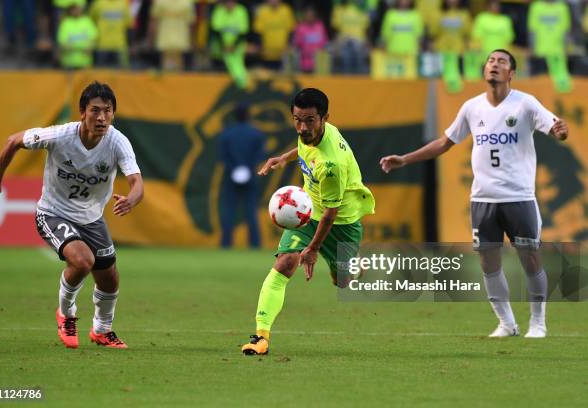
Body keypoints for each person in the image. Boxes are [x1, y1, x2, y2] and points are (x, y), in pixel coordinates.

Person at [380, 50, 569, 338]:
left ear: (511, 74)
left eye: (501, 62)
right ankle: (506, 323)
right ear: (484, 71)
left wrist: (560, 131)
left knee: (530, 258)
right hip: (483, 199)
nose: (494, 65)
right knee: (487, 262)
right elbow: (445, 142)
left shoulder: (525, 104)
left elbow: (554, 127)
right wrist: (405, 159)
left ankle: (538, 322)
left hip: (519, 197)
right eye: (491, 61)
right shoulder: (472, 107)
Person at [0, 81, 144, 349]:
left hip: (92, 218)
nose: (101, 117)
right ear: (82, 112)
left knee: (109, 277)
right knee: (82, 261)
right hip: (53, 213)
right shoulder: (60, 135)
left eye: (107, 111)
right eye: (95, 110)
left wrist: (132, 199)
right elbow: (13, 141)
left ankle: (102, 331)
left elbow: (137, 182)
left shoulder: (118, 142)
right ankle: (66, 315)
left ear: (113, 114)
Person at [241, 88, 375, 355]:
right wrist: (283, 157)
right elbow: (304, 149)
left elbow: (330, 214)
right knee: (285, 263)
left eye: (309, 121)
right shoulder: (310, 133)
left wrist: (312, 249)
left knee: (343, 281)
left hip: (341, 221)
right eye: (297, 120)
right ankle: (261, 337)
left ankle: (358, 264)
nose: (302, 128)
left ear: (325, 118)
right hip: (309, 213)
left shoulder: (331, 165)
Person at [218, 103, 265, 248]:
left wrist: (235, 167)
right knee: (251, 210)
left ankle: (226, 244)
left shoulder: (226, 134)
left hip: (231, 174)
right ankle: (255, 244)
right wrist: (248, 167)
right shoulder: (256, 134)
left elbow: (222, 157)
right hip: (250, 174)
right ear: (248, 116)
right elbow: (260, 155)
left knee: (229, 210)